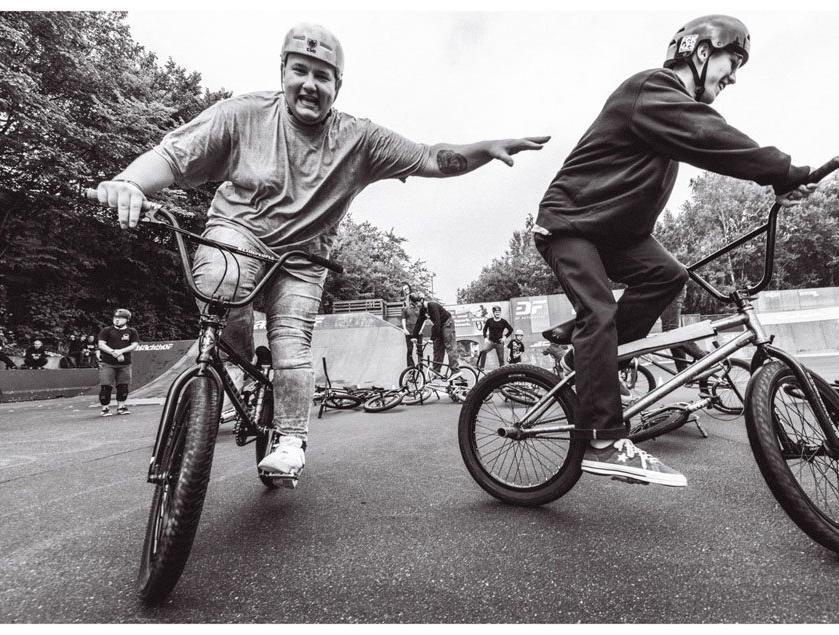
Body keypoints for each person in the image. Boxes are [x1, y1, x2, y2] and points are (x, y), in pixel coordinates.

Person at [91, 23, 547, 479]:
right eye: (300, 71)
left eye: (322, 76)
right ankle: (237, 364)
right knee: (221, 283)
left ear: (337, 86)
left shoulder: (359, 139)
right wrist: (129, 182)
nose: (310, 84)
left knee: (291, 344)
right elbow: (171, 157)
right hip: (239, 232)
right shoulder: (242, 115)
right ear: (283, 72)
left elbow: (430, 157)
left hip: (302, 259)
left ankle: (290, 438)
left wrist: (484, 149)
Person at [532, 15, 815, 488]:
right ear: (701, 52)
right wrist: (783, 171)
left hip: (614, 234)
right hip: (569, 224)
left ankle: (588, 357)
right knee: (598, 309)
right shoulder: (651, 89)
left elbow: (706, 141)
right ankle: (603, 441)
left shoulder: (668, 113)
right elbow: (711, 137)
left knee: (668, 276)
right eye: (732, 61)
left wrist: (778, 181)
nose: (734, 76)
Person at [96, 308, 141, 416]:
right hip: (108, 363)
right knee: (106, 386)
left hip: (124, 364)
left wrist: (121, 351)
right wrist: (113, 352)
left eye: (120, 318)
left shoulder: (131, 331)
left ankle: (121, 407)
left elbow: (134, 345)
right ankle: (105, 408)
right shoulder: (106, 330)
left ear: (127, 320)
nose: (117, 320)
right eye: (115, 317)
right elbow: (101, 344)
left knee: (123, 386)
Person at [413, 295, 459, 371]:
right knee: (437, 348)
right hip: (439, 326)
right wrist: (414, 336)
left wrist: (432, 338)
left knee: (449, 346)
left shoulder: (432, 306)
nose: (416, 305)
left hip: (447, 323)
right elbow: (419, 322)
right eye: (415, 304)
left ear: (422, 300)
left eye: (417, 303)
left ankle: (455, 370)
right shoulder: (423, 310)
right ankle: (436, 372)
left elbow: (437, 323)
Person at [401, 297, 424, 369]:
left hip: (418, 332)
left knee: (419, 349)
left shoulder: (419, 309)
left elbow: (424, 320)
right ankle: (410, 367)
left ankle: (420, 366)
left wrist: (421, 329)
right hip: (409, 332)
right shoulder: (406, 309)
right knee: (410, 350)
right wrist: (405, 329)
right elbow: (403, 319)